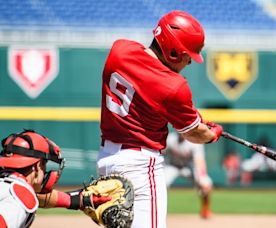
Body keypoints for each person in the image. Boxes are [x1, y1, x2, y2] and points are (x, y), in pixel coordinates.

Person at [97, 10, 223, 228]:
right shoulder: (173, 85)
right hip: (140, 166)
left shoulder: (119, 50)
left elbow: (146, 86)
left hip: (106, 161)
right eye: (187, 55)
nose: (190, 62)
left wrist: (191, 117)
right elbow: (193, 133)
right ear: (173, 52)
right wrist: (212, 134)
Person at [0, 129, 110, 227]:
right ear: (37, 166)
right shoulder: (20, 195)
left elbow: (38, 197)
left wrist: (79, 200)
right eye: (45, 164)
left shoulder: (9, 185)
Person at [164, 132, 213, 219]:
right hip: (173, 166)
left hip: (189, 167)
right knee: (160, 184)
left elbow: (199, 161)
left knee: (205, 183)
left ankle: (205, 209)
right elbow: (160, 153)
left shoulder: (195, 142)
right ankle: (160, 210)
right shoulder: (170, 139)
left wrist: (202, 178)